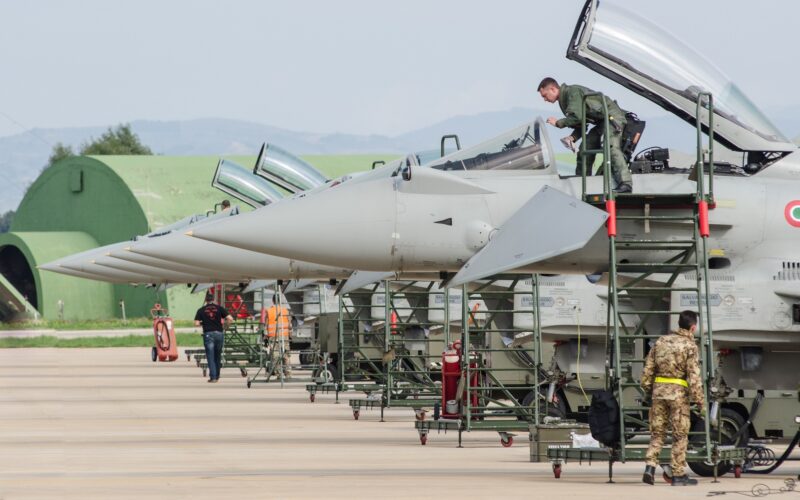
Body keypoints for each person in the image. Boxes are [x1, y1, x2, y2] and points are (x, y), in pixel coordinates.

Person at [640, 310, 705, 486]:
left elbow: (648, 370)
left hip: (658, 393)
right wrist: (700, 402)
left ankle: (650, 467)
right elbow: (694, 377)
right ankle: (678, 475)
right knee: (680, 435)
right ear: (693, 327)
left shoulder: (661, 341)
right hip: (678, 396)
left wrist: (648, 389)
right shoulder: (690, 346)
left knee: (657, 434)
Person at [538, 77, 633, 193]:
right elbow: (581, 122)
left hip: (613, 119)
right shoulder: (565, 99)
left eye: (544, 95)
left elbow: (577, 117)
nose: (545, 99)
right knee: (585, 148)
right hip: (602, 123)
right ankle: (582, 184)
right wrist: (572, 138)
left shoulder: (572, 93)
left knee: (611, 146)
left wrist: (559, 123)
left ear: (552, 89)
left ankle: (626, 183)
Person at [194, 291, 233, 383]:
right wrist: (225, 327)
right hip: (219, 333)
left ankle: (213, 377)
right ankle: (218, 375)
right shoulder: (219, 308)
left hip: (208, 334)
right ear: (213, 300)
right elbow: (230, 318)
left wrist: (204, 323)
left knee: (210, 356)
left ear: (206, 300)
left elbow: (196, 323)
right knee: (217, 356)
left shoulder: (201, 310)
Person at [265, 294, 292, 378]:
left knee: (276, 356)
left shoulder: (269, 311)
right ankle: (288, 373)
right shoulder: (285, 311)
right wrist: (290, 336)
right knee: (286, 355)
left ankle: (279, 374)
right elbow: (290, 325)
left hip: (273, 337)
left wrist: (265, 337)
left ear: (272, 301)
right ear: (280, 301)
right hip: (284, 336)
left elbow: (266, 326)